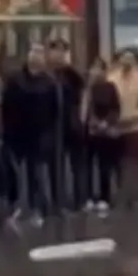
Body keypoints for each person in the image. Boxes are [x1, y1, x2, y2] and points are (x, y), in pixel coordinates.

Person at [1, 43, 63, 225]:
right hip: (16, 133)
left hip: (40, 134)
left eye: (39, 54)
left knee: (36, 173)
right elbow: (6, 106)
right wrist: (5, 131)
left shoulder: (50, 82)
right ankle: (14, 207)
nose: (36, 57)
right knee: (13, 172)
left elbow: (55, 111)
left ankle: (37, 209)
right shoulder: (15, 80)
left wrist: (51, 134)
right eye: (33, 53)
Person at [109, 48, 138, 208]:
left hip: (136, 127)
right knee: (117, 163)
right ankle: (120, 194)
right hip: (115, 127)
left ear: (135, 61)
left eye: (130, 58)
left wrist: (133, 116)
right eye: (124, 58)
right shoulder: (112, 79)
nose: (127, 61)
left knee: (135, 163)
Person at [47, 38, 85, 211]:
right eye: (56, 51)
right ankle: (58, 201)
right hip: (54, 125)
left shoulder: (71, 75)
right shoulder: (47, 74)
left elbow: (82, 87)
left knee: (77, 165)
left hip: (72, 124)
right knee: (56, 164)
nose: (59, 55)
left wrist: (68, 67)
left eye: (63, 51)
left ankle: (79, 199)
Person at [82, 57, 122, 211]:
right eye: (94, 68)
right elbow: (84, 109)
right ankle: (88, 196)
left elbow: (116, 107)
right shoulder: (86, 88)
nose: (96, 71)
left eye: (100, 68)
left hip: (105, 131)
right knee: (87, 165)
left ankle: (105, 196)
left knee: (104, 165)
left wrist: (106, 122)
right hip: (89, 131)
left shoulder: (110, 87)